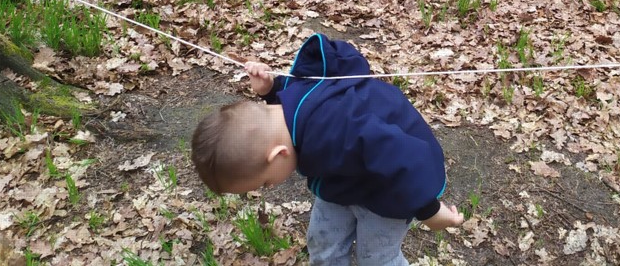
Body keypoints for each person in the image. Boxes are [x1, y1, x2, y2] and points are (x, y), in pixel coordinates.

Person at [191, 33, 465, 265]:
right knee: (324, 244)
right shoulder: (291, 109)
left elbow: (405, 159)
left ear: (278, 154)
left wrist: (430, 212)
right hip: (343, 180)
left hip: (390, 189)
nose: (270, 186)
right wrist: (272, 89)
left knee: (376, 258)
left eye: (264, 182)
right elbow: (299, 92)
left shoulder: (343, 128)